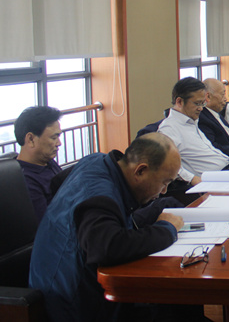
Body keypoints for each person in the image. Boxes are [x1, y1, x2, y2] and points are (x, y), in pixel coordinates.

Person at [29, 133, 185, 321]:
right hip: (74, 303)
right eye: (165, 182)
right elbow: (107, 247)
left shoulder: (96, 160)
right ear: (140, 171)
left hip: (57, 279)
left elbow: (58, 182)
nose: (164, 191)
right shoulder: (100, 197)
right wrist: (166, 229)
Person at [158, 77, 229, 185]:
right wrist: (192, 179)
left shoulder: (192, 121)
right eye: (197, 103)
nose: (201, 108)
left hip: (227, 170)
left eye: (203, 103)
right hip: (212, 181)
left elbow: (207, 150)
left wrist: (224, 159)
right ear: (179, 101)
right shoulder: (169, 129)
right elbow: (166, 164)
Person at [14, 105, 64, 223]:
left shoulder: (47, 161)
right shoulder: (25, 181)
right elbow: (46, 225)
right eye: (54, 138)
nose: (59, 143)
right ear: (31, 139)